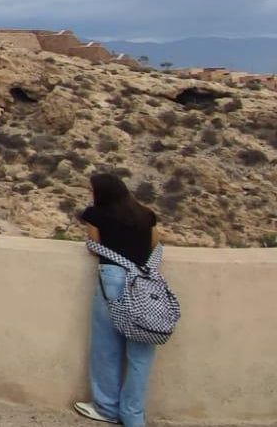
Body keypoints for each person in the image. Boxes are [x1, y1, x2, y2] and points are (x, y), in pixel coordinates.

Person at [73, 174, 162, 427]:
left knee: (106, 346)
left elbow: (93, 246)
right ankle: (133, 415)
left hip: (112, 277)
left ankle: (106, 408)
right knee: (141, 352)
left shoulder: (96, 214)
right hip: (143, 282)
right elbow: (155, 243)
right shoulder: (146, 214)